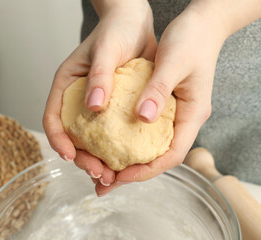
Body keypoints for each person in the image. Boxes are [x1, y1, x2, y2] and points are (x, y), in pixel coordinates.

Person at [43, 0, 261, 197]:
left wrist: (214, 19)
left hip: (242, 70)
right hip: (115, 44)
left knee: (243, 190)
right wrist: (121, 9)